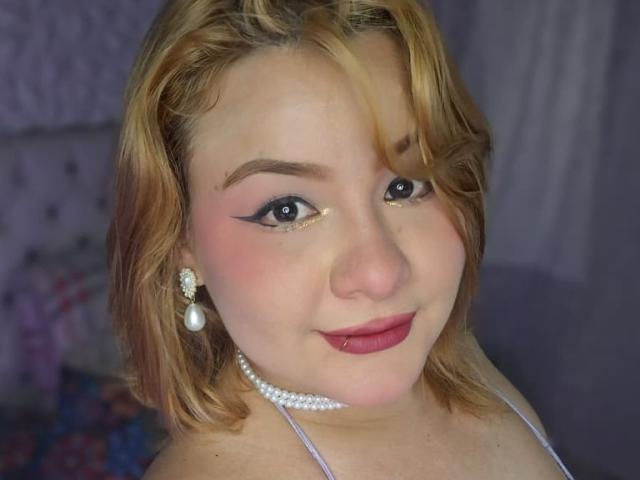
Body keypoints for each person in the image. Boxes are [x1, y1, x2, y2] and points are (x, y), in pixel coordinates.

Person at [107, 1, 576, 478]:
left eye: (405, 186)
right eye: (287, 209)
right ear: (180, 241)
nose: (380, 274)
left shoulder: (470, 370)